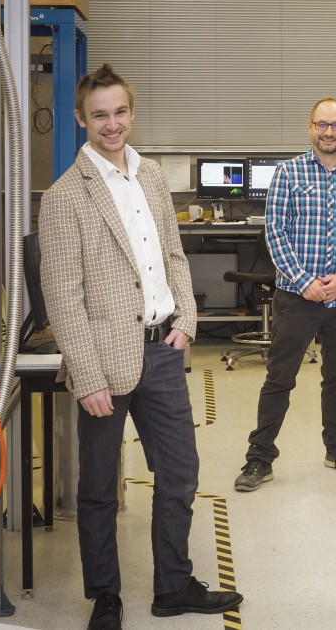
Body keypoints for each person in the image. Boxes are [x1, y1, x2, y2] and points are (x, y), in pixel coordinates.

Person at [38, 64, 243, 630]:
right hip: (104, 361)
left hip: (162, 350)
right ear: (82, 119)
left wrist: (188, 320)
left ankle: (173, 584)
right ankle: (105, 595)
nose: (112, 124)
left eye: (120, 112)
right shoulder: (63, 198)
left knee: (179, 475)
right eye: (100, 115)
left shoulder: (152, 176)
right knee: (99, 488)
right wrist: (87, 374)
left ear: (132, 112)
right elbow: (63, 298)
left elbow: (174, 256)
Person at [234, 97, 336, 491]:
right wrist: (304, 281)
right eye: (322, 124)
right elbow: (275, 232)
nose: (329, 132)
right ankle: (259, 459)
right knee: (280, 379)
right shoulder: (288, 173)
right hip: (297, 298)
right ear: (310, 126)